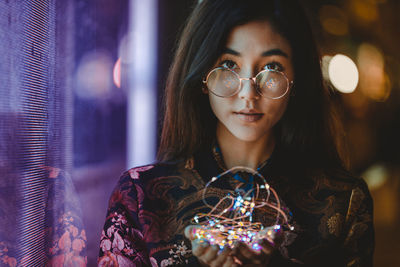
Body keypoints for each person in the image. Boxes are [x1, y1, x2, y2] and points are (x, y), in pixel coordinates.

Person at [98, 0, 374, 266]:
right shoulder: (140, 197)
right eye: (229, 64)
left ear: (296, 79)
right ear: (203, 73)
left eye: (271, 67)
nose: (248, 93)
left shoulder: (342, 203)